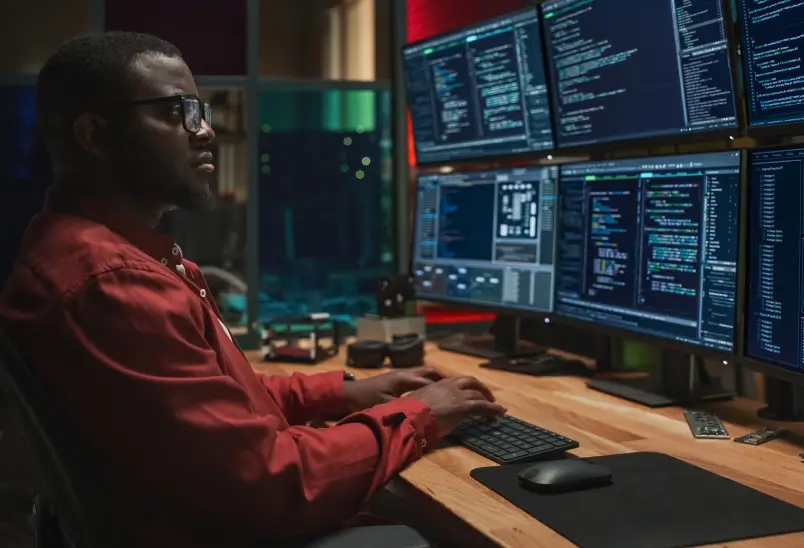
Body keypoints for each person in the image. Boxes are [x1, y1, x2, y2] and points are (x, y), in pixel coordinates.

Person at [0, 32, 506, 547]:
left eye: (201, 112)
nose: (206, 132)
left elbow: (219, 403)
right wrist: (421, 415)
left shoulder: (90, 253)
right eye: (178, 112)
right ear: (94, 135)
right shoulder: (112, 285)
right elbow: (274, 482)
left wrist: (346, 390)